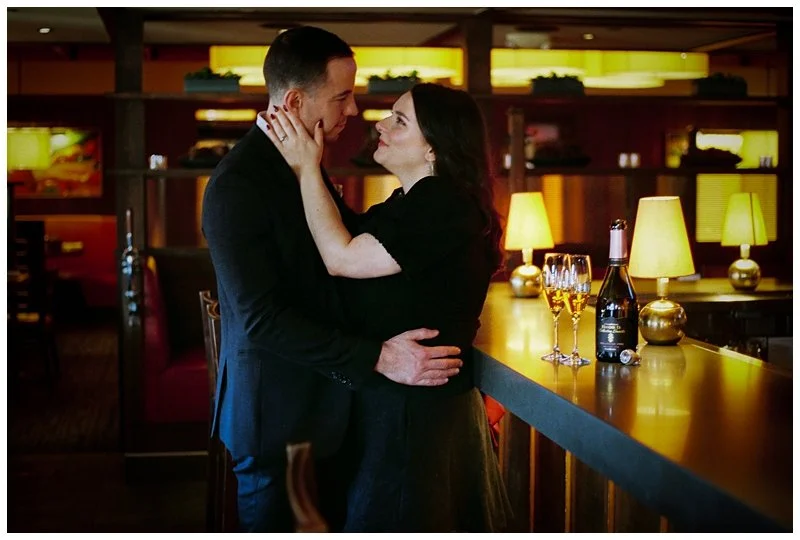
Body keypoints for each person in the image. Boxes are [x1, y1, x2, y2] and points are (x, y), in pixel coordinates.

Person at [201, 27, 465, 533]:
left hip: (331, 413)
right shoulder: (237, 185)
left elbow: (343, 257)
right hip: (279, 420)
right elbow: (262, 319)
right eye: (341, 97)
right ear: (297, 99)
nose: (354, 112)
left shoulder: (309, 165)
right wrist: (380, 357)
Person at [265, 82, 513, 532]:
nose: (379, 124)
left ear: (435, 149)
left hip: (416, 416)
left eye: (399, 121)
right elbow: (345, 235)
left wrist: (306, 169)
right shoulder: (410, 202)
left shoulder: (442, 204)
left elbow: (341, 258)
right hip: (401, 406)